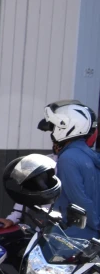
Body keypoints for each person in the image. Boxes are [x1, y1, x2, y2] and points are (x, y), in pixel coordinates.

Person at [40, 100, 100, 238]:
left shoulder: (68, 158)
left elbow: (80, 200)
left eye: (54, 127)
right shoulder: (88, 155)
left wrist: (96, 225)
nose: (52, 132)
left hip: (75, 236)